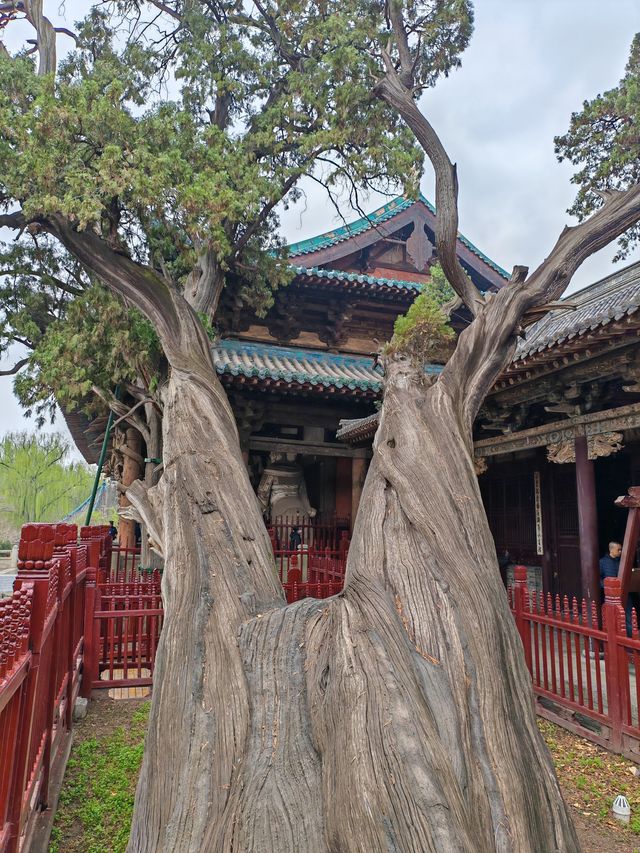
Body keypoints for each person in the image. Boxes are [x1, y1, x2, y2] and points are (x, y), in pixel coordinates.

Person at [599, 541, 638, 636]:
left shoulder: (622, 562)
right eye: (618, 550)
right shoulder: (602, 562)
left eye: (621, 549)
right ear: (611, 550)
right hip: (611, 596)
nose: (620, 552)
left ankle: (631, 637)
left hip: (624, 593)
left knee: (629, 616)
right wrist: (606, 587)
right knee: (613, 618)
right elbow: (598, 578)